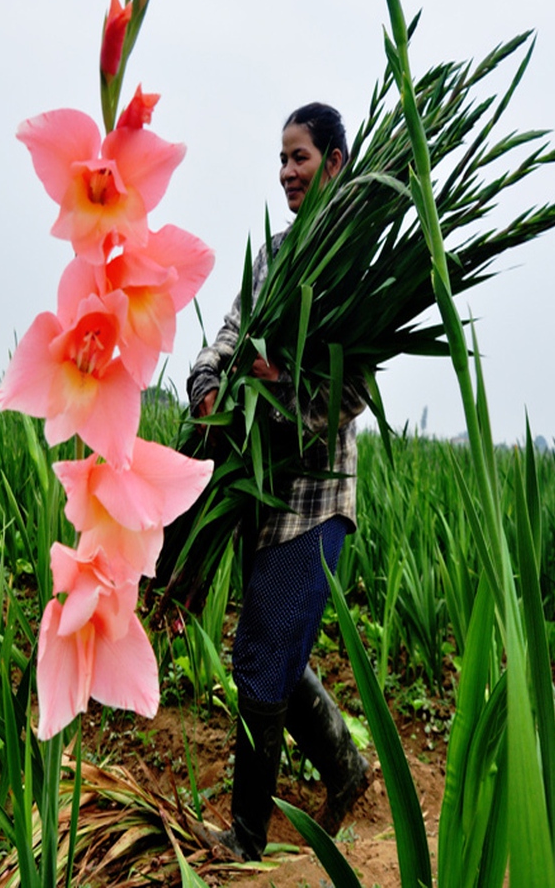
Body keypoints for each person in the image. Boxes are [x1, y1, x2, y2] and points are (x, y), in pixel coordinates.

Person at [187, 102, 370, 862]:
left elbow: (349, 393)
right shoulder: (271, 257)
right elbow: (228, 333)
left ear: (333, 161)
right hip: (260, 497)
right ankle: (348, 767)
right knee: (274, 651)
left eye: (300, 156)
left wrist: (282, 381)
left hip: (314, 498)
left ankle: (247, 839)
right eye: (281, 158)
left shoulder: (355, 266)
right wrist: (206, 382)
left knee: (261, 657)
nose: (287, 171)